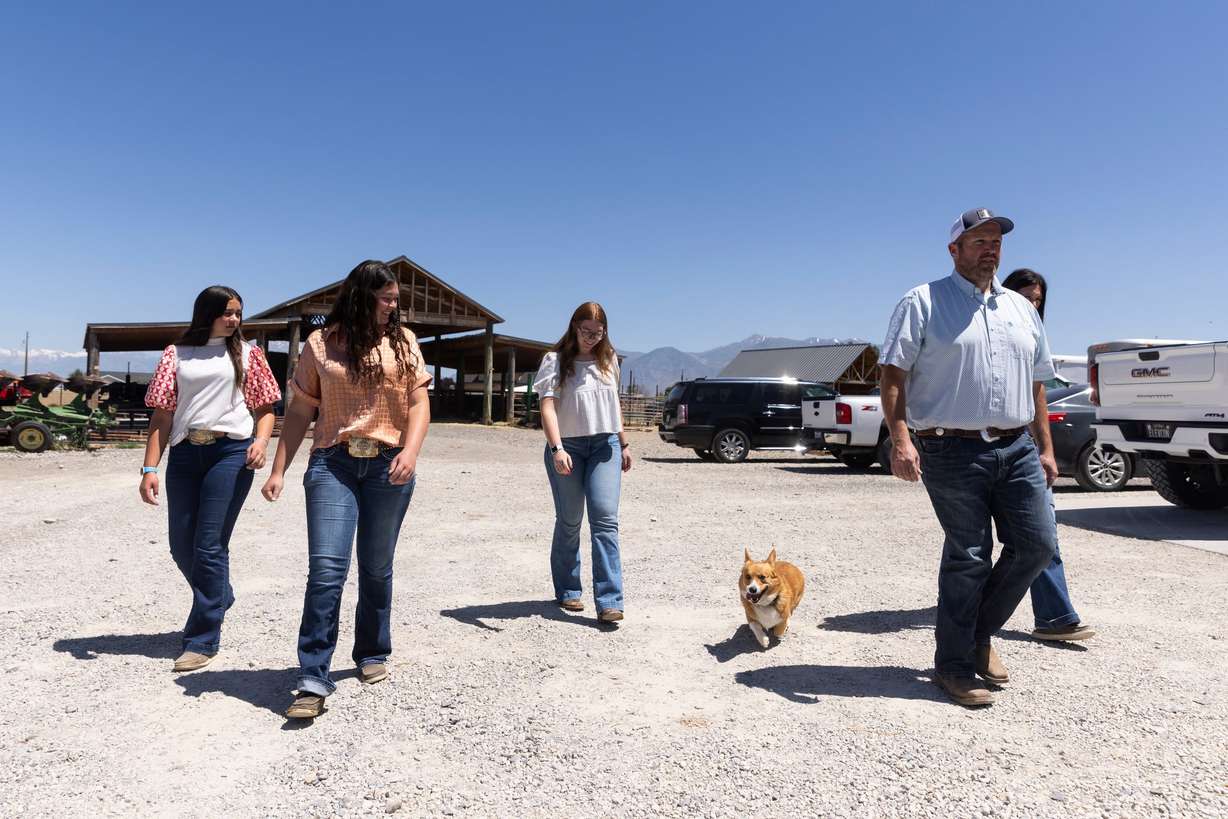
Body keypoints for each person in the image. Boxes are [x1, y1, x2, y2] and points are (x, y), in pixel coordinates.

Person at [880, 208, 1059, 707]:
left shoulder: (1021, 309)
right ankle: (956, 666)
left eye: (996, 241)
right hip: (949, 446)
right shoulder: (923, 301)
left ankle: (975, 638)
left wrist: (1045, 447)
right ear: (954, 250)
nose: (990, 249)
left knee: (1037, 546)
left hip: (1017, 445)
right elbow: (893, 376)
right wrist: (901, 439)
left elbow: (1037, 383)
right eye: (978, 241)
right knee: (970, 555)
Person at [262, 260, 431, 720]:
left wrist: (411, 452)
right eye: (388, 298)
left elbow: (419, 403)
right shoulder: (320, 344)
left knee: (376, 567)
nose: (395, 306)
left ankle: (372, 650)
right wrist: (278, 469)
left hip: (388, 463)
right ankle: (313, 676)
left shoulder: (405, 342)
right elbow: (300, 411)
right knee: (327, 570)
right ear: (361, 296)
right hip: (332, 463)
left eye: (396, 299)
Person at [140, 285, 281, 672]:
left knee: (209, 544)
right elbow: (162, 416)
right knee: (180, 545)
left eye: (238, 312)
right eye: (227, 312)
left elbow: (266, 407)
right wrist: (150, 468)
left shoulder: (249, 354)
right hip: (186, 454)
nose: (234, 319)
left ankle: (202, 638)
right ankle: (219, 594)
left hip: (230, 453)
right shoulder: (176, 355)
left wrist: (262, 441)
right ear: (207, 313)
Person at [1002, 268, 1095, 643]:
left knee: (1042, 534)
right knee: (971, 545)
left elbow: (1038, 394)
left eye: (1037, 300)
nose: (1031, 305)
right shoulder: (985, 335)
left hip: (1023, 448)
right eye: (1025, 296)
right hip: (976, 448)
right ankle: (965, 610)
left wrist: (1047, 451)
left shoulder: (1032, 339)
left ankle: (1055, 617)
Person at [534, 302, 631, 623]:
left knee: (605, 519)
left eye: (598, 332)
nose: (591, 338)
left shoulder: (608, 360)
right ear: (574, 327)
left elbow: (613, 402)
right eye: (586, 331)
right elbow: (547, 407)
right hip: (568, 447)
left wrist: (623, 442)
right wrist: (556, 447)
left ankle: (609, 601)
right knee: (571, 520)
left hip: (605, 445)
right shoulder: (555, 361)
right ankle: (568, 589)